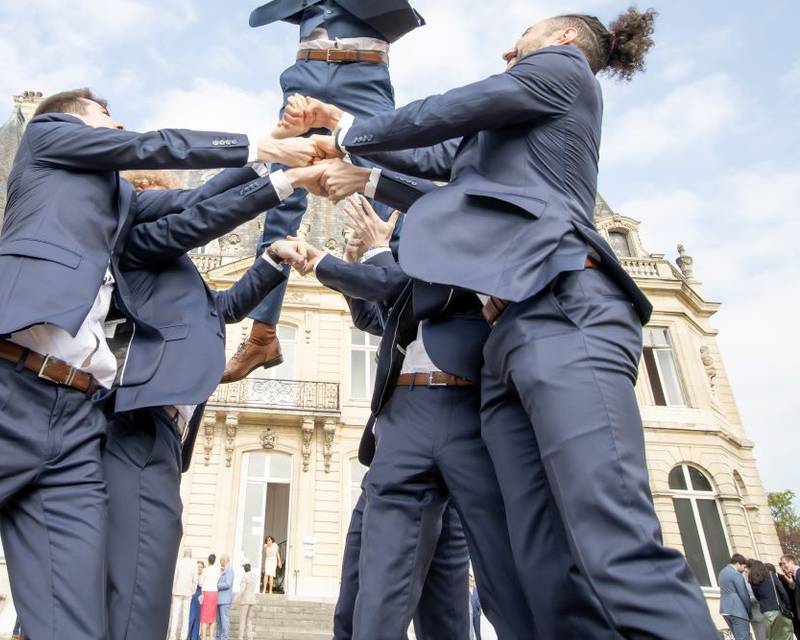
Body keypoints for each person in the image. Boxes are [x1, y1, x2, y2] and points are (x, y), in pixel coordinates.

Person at [300, 7, 722, 638]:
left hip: (567, 307)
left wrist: (352, 127)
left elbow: (452, 109)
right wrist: (362, 170)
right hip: (508, 340)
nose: (507, 51)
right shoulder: (509, 143)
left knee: (611, 547)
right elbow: (449, 171)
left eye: (519, 39)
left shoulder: (564, 68)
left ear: (562, 38)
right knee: (539, 565)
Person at [0, 87, 317, 640]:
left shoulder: (120, 206)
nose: (120, 127)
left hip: (74, 418)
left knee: (76, 623)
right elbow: (154, 148)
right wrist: (256, 143)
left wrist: (281, 172)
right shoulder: (44, 141)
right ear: (73, 125)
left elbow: (196, 203)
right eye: (108, 118)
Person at [297, 194, 605, 637]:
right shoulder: (411, 275)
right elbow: (380, 314)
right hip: (404, 417)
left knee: (496, 573)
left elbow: (400, 285)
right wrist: (359, 268)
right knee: (376, 585)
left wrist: (349, 260)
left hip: (471, 416)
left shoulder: (471, 249)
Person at [103, 166, 317, 640]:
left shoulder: (174, 270)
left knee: (145, 563)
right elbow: (195, 216)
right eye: (167, 194)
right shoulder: (138, 243)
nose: (179, 199)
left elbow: (221, 310)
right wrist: (270, 173)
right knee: (140, 568)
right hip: (138, 418)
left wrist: (273, 258)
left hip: (162, 427)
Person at [222, 0, 425, 382]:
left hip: (364, 73)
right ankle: (263, 334)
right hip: (306, 73)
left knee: (385, 190)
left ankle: (408, 308)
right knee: (280, 195)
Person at [749, 560, 795, 640]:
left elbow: (757, 596)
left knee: (773, 636)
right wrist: (788, 607)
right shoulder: (771, 575)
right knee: (787, 634)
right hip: (778, 610)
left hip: (766, 612)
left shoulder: (753, 579)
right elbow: (783, 592)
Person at [720, 554, 753, 640]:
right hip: (738, 611)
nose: (744, 569)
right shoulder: (736, 574)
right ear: (738, 564)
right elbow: (744, 595)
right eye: (744, 566)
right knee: (743, 637)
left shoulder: (722, 572)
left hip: (725, 609)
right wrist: (749, 612)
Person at [171, 549, 201, 640]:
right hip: (188, 593)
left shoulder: (179, 563)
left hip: (177, 591)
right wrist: (192, 591)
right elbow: (195, 580)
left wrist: (173, 590)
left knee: (175, 615)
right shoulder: (194, 564)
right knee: (186, 616)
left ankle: (172, 636)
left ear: (184, 554)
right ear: (191, 555)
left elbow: (175, 576)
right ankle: (183, 637)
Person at [200, 555, 220, 640]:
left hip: (206, 593)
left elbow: (200, 582)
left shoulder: (205, 570)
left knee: (204, 617)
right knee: (213, 616)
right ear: (215, 561)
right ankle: (211, 637)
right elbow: (218, 581)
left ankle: (204, 637)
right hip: (214, 593)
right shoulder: (217, 570)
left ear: (208, 561)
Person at [237, 563, 258, 640]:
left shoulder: (245, 577)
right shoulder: (254, 576)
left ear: (244, 569)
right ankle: (250, 637)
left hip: (245, 599)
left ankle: (241, 638)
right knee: (249, 620)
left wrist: (235, 598)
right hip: (252, 599)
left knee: (242, 620)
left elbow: (242, 589)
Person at [781, 555, 800, 639]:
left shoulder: (799, 573)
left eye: (784, 563)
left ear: (791, 562)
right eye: (781, 565)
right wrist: (793, 585)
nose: (782, 567)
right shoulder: (795, 575)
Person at [217, 554, 236, 640]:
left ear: (224, 560)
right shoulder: (224, 570)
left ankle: (225, 638)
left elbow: (228, 584)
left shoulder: (229, 570)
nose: (220, 563)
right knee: (219, 622)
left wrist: (217, 585)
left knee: (224, 622)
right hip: (220, 600)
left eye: (221, 561)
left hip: (225, 600)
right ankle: (219, 638)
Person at [189, 561, 205, 640]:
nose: (199, 568)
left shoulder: (203, 576)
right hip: (192, 597)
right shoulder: (192, 575)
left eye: (201, 567)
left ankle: (194, 637)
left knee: (197, 618)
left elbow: (203, 586)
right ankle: (189, 635)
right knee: (191, 617)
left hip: (199, 598)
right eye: (198, 566)